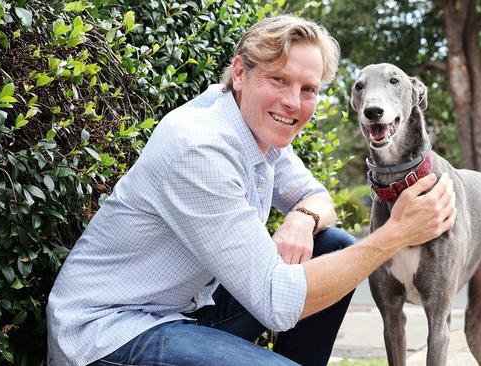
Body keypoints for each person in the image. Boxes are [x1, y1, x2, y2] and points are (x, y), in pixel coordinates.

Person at [46, 15, 456, 366]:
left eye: (308, 89)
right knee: (334, 261)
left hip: (186, 309)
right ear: (240, 73)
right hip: (110, 330)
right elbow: (277, 303)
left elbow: (318, 199)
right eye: (279, 80)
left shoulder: (258, 128)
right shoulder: (200, 147)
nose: (294, 103)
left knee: (331, 243)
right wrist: (396, 233)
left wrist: (303, 216)